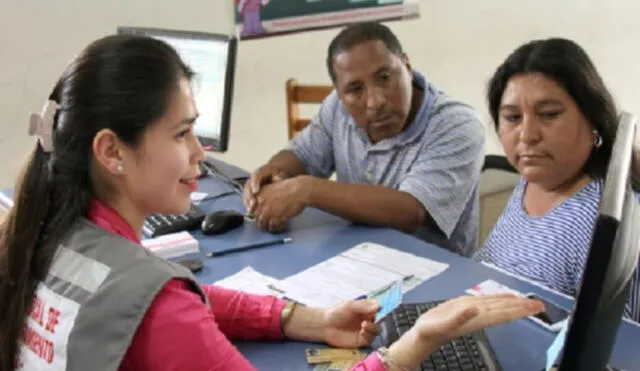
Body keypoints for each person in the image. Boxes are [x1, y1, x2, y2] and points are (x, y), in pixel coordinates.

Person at [0, 35, 543, 371]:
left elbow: (173, 298)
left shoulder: (50, 235)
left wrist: (298, 317)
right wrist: (410, 348)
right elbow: (166, 310)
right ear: (112, 152)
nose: (201, 150)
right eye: (183, 132)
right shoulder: (161, 310)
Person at [243, 22, 485, 257]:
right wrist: (273, 173)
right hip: (354, 258)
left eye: (384, 77)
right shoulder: (337, 107)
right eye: (355, 89)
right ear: (339, 93)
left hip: (436, 275)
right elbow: (303, 155)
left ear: (407, 66)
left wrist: (306, 189)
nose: (375, 101)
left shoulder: (458, 124)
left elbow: (411, 211)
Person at [473, 38, 640, 322]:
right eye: (512, 117)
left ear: (593, 119)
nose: (527, 135)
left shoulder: (609, 218)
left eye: (549, 115)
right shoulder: (533, 179)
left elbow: (618, 350)